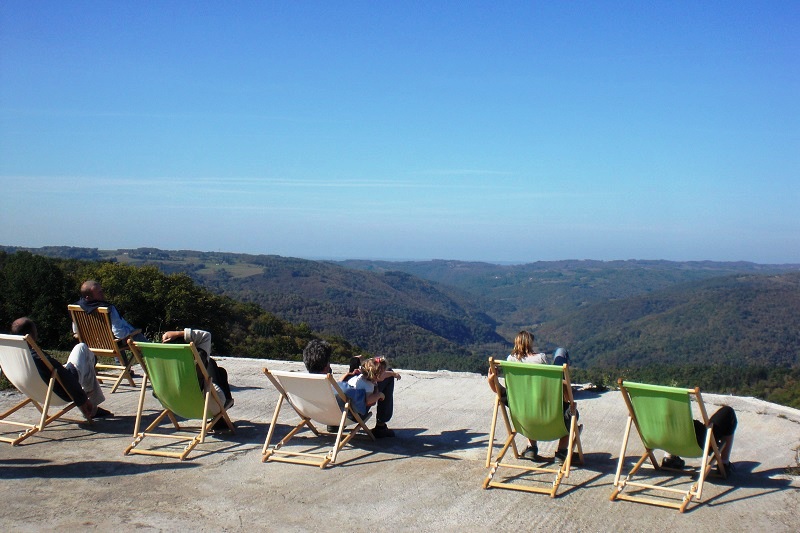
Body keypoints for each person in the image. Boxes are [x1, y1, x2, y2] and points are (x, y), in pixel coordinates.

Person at [487, 330, 578, 462]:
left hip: (525, 422)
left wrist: (491, 380)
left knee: (528, 405)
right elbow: (549, 386)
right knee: (561, 353)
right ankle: (561, 452)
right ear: (531, 343)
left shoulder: (510, 361)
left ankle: (531, 448)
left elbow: (500, 392)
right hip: (551, 420)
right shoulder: (541, 358)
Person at [10, 317, 111, 420]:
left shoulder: (13, 356)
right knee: (82, 348)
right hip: (61, 391)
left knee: (86, 362)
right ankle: (91, 408)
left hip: (35, 392)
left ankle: (91, 365)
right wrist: (82, 399)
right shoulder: (37, 357)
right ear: (31, 334)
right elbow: (64, 376)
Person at [303, 339, 397, 438]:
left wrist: (350, 374)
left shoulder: (304, 384)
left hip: (322, 414)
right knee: (387, 373)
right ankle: (381, 426)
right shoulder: (334, 384)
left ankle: (333, 425)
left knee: (355, 376)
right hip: (350, 414)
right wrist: (377, 391)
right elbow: (365, 400)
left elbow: (341, 387)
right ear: (326, 365)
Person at [74, 280, 148, 371]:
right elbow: (119, 333)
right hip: (110, 344)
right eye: (99, 292)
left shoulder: (76, 308)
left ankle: (125, 370)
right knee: (136, 338)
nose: (103, 294)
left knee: (114, 340)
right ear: (88, 297)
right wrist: (133, 332)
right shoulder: (107, 309)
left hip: (92, 345)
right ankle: (156, 362)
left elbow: (76, 332)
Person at [161, 328, 234, 411]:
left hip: (170, 402)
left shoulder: (158, 363)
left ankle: (225, 406)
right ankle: (222, 410)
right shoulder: (190, 369)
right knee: (211, 364)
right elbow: (206, 336)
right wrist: (178, 333)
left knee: (220, 371)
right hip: (204, 404)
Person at [662, 405, 737, 473]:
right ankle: (724, 464)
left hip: (665, 440)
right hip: (698, 443)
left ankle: (669, 457)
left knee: (671, 414)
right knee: (728, 412)